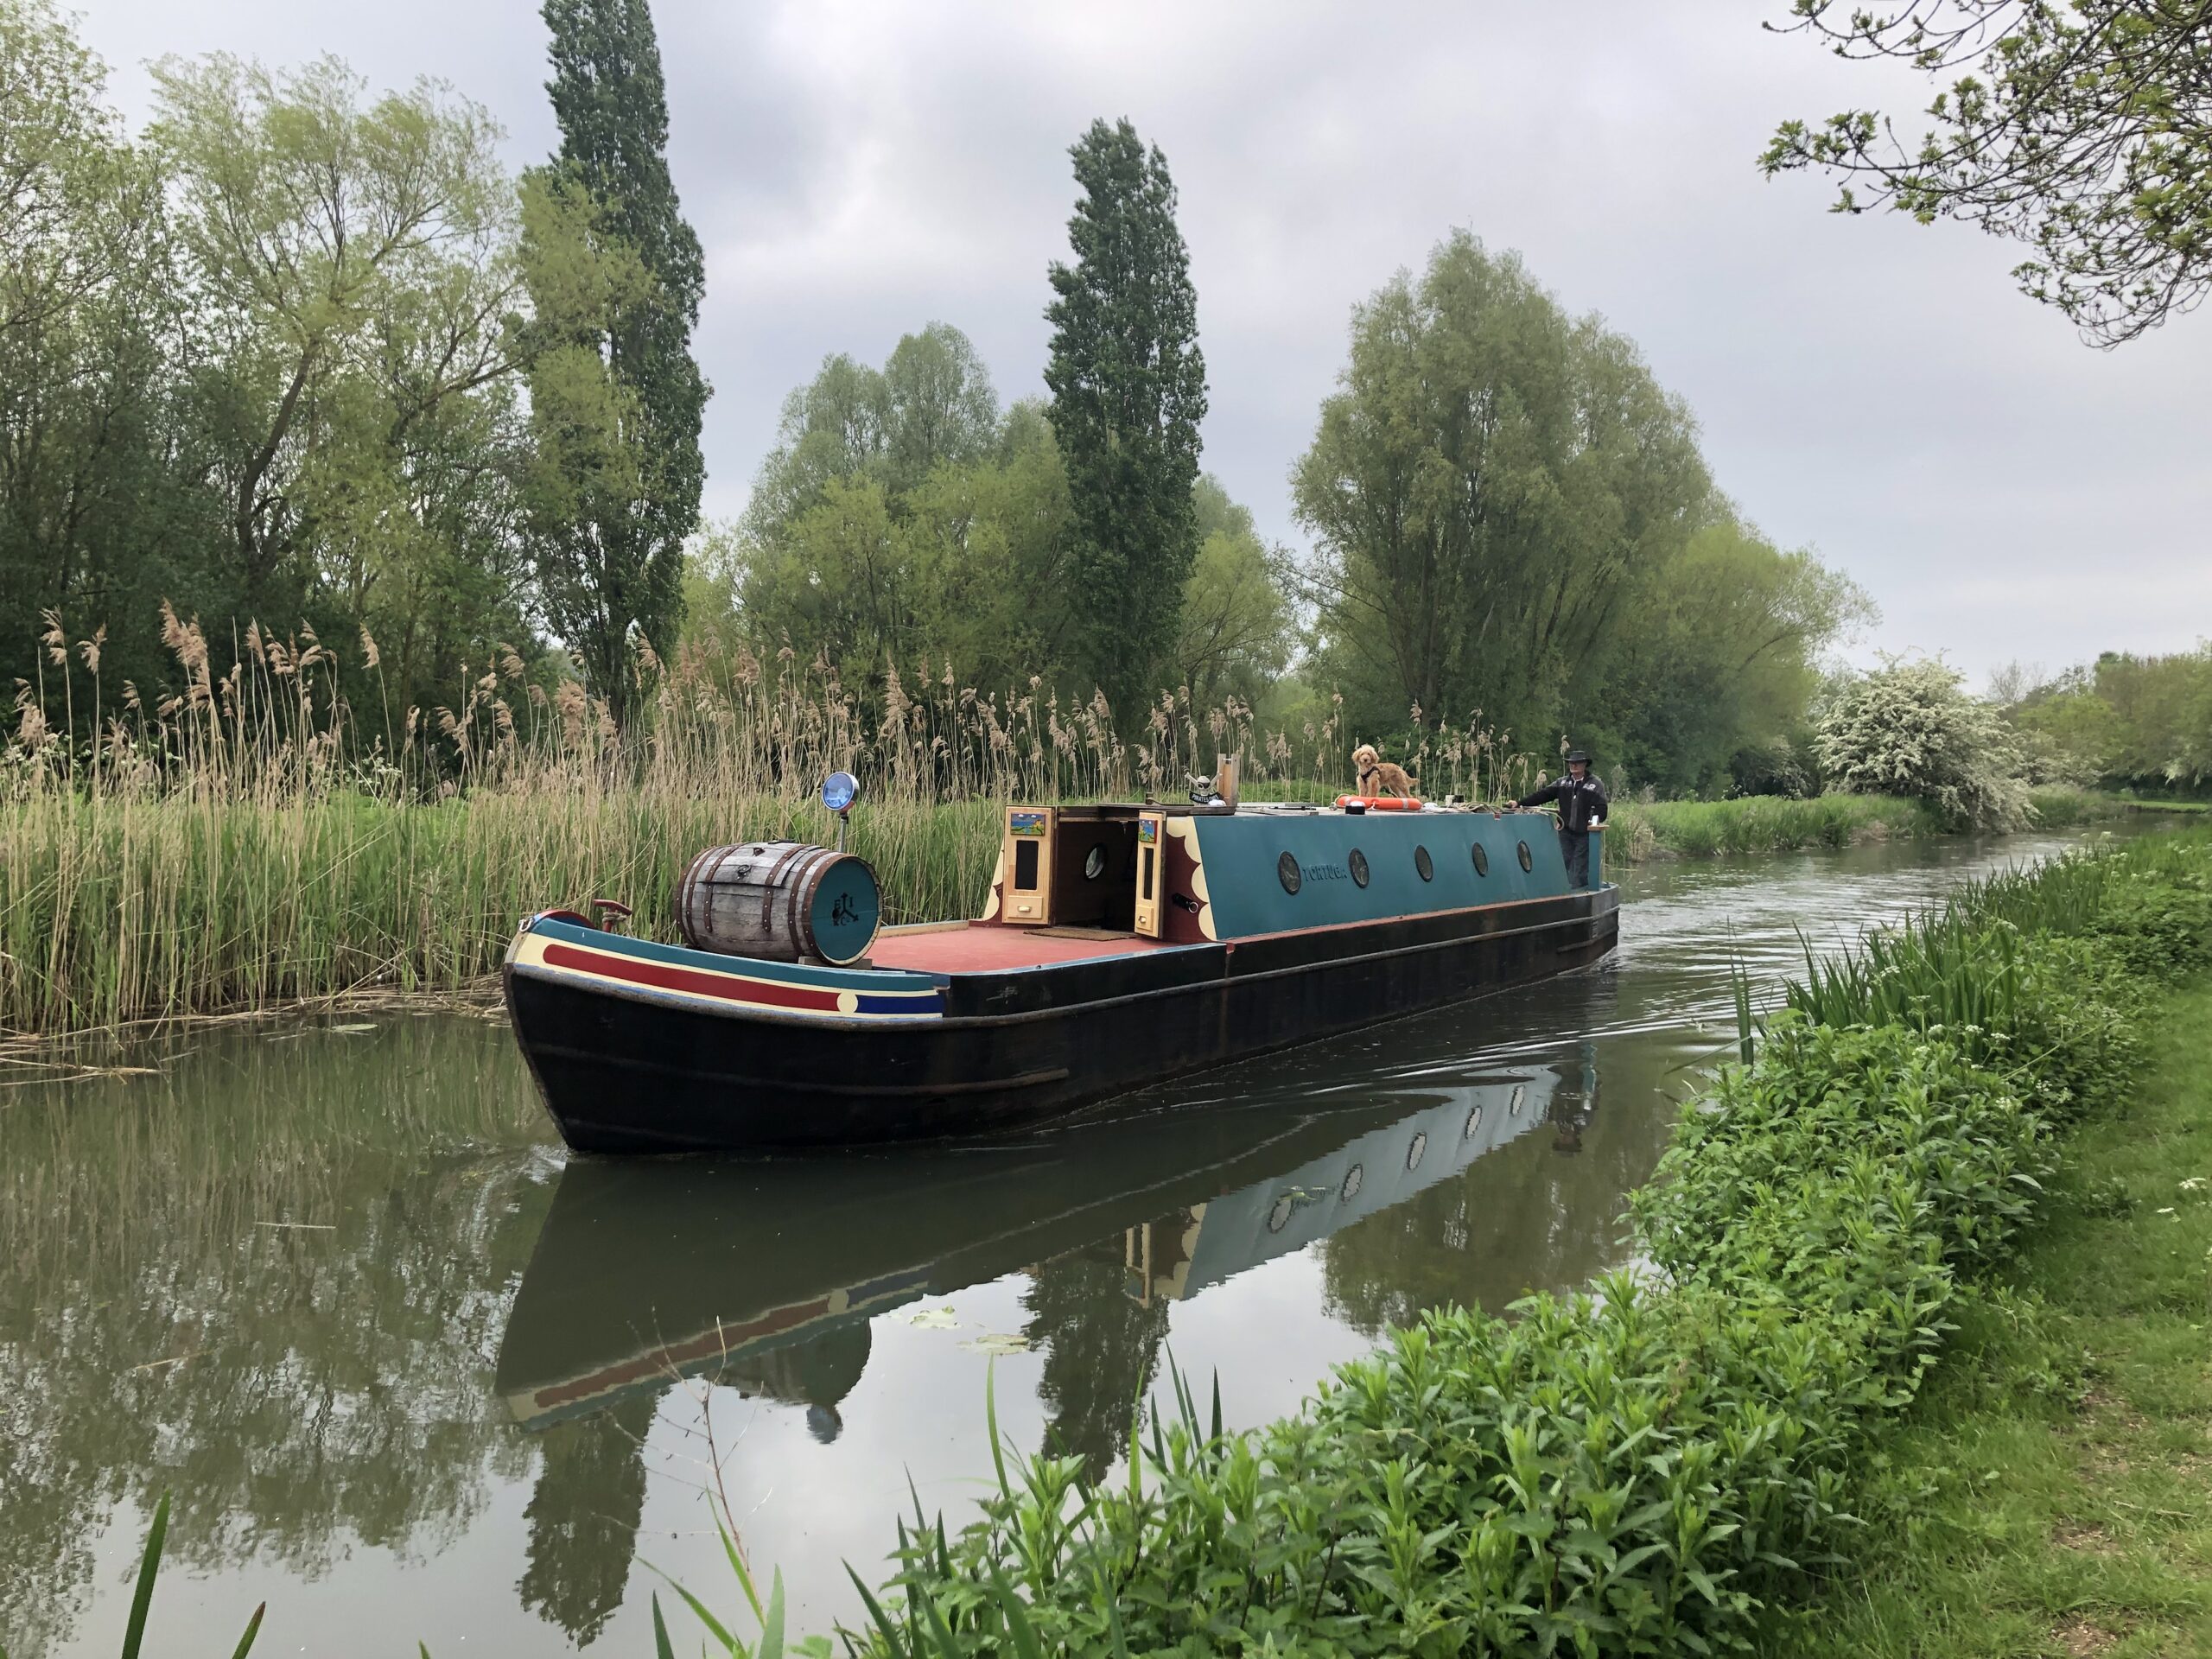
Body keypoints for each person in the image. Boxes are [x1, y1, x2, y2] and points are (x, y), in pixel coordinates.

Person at [1516, 751, 1607, 887]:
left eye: (1576, 763)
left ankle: (1581, 895)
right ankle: (1562, 890)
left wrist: (1593, 819)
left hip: (1585, 832)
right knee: (1562, 863)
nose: (1573, 765)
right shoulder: (1562, 783)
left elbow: (1602, 809)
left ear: (1584, 765)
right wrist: (1520, 803)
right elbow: (1542, 795)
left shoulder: (1595, 784)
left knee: (1580, 866)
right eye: (1571, 763)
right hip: (1565, 831)